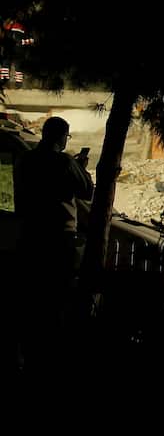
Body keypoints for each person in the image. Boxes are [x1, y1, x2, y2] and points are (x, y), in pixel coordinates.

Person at [12, 116, 95, 376]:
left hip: (30, 237)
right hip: (58, 240)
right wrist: (80, 167)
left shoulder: (25, 160)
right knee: (56, 300)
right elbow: (86, 191)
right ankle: (52, 360)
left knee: (31, 301)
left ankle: (29, 355)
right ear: (60, 137)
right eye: (66, 136)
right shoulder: (64, 162)